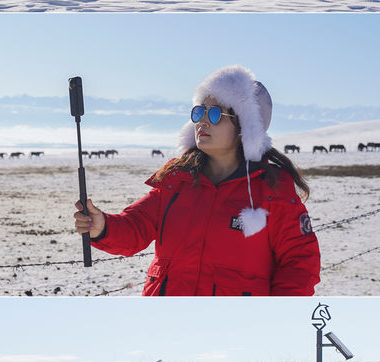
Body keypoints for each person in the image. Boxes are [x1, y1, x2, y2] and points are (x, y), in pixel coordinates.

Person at [74, 65, 321, 296]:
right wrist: (103, 227)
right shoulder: (176, 180)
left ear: (246, 127)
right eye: (199, 111)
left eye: (215, 114)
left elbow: (300, 264)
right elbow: (136, 226)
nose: (202, 121)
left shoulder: (272, 191)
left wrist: (275, 318)